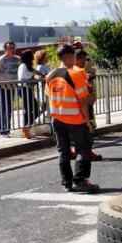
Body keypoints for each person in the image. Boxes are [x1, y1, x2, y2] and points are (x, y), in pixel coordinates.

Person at [46, 44, 99, 193]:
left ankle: (67, 182)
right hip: (75, 118)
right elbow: (83, 100)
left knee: (63, 150)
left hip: (57, 118)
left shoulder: (50, 75)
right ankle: (80, 180)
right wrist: (88, 121)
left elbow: (49, 96)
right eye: (74, 57)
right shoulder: (77, 73)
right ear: (69, 57)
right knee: (84, 147)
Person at [73, 49, 103, 161]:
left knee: (84, 130)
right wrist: (89, 82)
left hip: (85, 103)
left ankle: (82, 152)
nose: (85, 62)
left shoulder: (80, 71)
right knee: (87, 130)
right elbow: (86, 88)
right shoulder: (77, 72)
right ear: (78, 59)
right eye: (84, 60)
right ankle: (86, 153)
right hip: (82, 104)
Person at [0, 41, 21, 136]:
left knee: (9, 109)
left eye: (13, 48)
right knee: (2, 109)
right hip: (1, 88)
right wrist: (0, 78)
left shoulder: (18, 59)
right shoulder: (1, 60)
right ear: (5, 50)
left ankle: (7, 129)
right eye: (10, 48)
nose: (12, 50)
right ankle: (2, 130)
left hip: (12, 88)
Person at [16, 49, 39, 140]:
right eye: (32, 55)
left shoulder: (28, 65)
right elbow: (22, 78)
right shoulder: (23, 65)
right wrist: (32, 79)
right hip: (23, 89)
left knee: (31, 109)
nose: (33, 56)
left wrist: (43, 75)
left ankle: (26, 127)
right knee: (32, 108)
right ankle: (26, 127)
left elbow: (35, 71)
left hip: (26, 89)